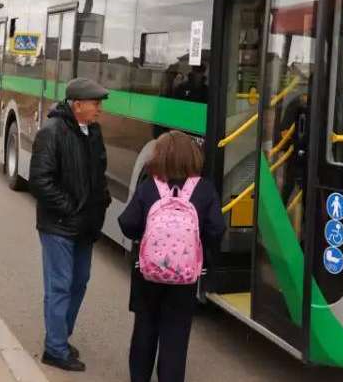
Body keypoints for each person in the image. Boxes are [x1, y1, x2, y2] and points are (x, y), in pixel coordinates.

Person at [118, 131, 224, 382]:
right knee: (175, 335)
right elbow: (217, 229)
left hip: (148, 274)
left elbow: (127, 224)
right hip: (184, 278)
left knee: (145, 329)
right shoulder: (204, 190)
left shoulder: (148, 188)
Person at [29, 77, 111, 372]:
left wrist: (102, 202)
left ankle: (60, 337)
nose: (99, 109)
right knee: (60, 286)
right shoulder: (51, 132)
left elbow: (99, 174)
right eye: (95, 104)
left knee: (79, 283)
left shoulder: (93, 131)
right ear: (77, 105)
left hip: (85, 226)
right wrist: (70, 209)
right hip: (59, 226)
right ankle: (55, 349)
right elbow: (40, 180)